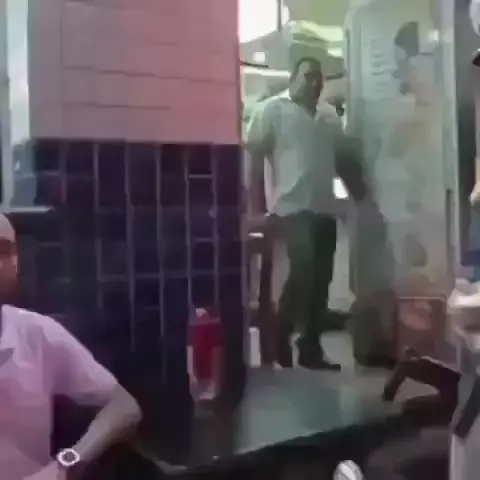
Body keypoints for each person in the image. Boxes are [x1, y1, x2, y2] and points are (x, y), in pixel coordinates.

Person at [245, 57, 368, 370]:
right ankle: (282, 331)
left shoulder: (329, 116)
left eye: (318, 77)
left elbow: (341, 160)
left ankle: (310, 347)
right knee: (304, 272)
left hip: (324, 206)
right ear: (293, 79)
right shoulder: (272, 110)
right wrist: (255, 207)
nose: (314, 82)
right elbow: (255, 159)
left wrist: (359, 195)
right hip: (290, 208)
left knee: (322, 279)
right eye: (307, 76)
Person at [0, 214, 142, 480]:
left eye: (2, 250)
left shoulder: (37, 334)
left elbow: (123, 406)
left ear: (16, 261)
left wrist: (68, 463)